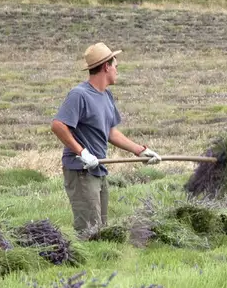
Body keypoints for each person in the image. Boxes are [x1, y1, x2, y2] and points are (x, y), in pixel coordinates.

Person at [50, 42, 161, 235]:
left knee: (101, 227)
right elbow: (58, 125)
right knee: (89, 230)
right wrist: (82, 152)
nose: (117, 71)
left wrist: (141, 151)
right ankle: (82, 262)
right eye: (116, 66)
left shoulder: (106, 96)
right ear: (106, 67)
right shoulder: (79, 95)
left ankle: (99, 260)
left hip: (98, 168)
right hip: (81, 170)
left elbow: (111, 132)